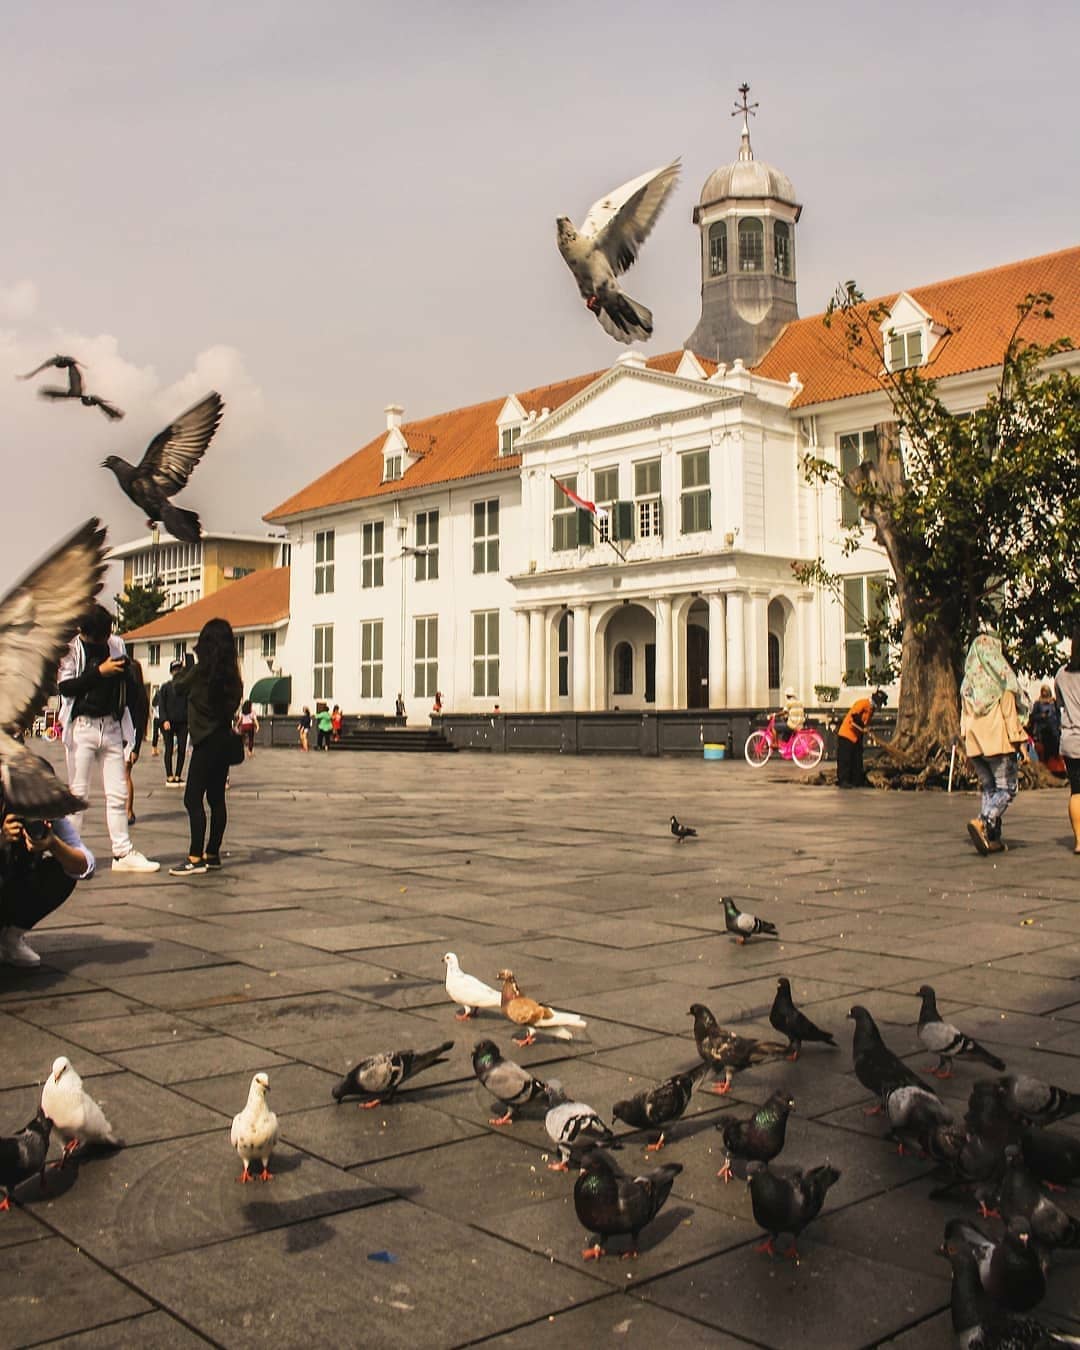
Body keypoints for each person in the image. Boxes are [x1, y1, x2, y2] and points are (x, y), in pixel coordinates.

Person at [57, 605, 159, 873]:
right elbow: (65, 688)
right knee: (78, 794)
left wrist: (125, 674)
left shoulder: (117, 645)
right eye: (98, 638)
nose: (104, 642)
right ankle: (71, 852)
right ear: (84, 633)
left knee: (117, 793)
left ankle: (122, 852)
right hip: (83, 727)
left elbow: (132, 689)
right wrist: (98, 673)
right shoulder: (71, 649)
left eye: (107, 635)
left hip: (112, 725)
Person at [0, 761, 95, 967]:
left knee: (63, 869)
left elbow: (86, 865)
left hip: (10, 888)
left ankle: (9, 939)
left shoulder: (43, 814)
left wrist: (53, 844)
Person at [168, 619, 243, 877]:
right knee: (216, 799)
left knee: (192, 798)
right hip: (223, 740)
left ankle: (195, 856)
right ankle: (213, 853)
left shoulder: (200, 672)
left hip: (205, 742)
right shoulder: (232, 675)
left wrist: (188, 666)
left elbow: (177, 688)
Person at [960, 632, 1029, 855]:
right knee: (1007, 789)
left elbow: (963, 722)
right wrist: (1022, 745)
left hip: (975, 747)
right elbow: (1010, 718)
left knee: (990, 789)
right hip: (998, 745)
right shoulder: (1003, 684)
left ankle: (992, 838)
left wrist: (967, 750)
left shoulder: (968, 687)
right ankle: (983, 820)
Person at [1055, 629, 1080, 855]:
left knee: (1076, 790)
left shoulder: (1061, 675)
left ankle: (1079, 841)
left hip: (1070, 740)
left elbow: (1059, 705)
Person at [836, 689, 887, 788]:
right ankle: (843, 781)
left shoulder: (871, 710)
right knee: (845, 759)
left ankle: (856, 780)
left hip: (856, 737)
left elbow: (864, 723)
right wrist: (863, 729)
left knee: (857, 760)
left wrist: (866, 729)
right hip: (847, 735)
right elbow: (853, 719)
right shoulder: (862, 704)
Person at [124, 658, 149, 827]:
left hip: (129, 737)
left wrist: (136, 748)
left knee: (124, 775)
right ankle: (126, 810)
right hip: (127, 737)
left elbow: (140, 723)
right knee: (123, 775)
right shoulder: (139, 694)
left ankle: (128, 810)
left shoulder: (135, 694)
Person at [157, 659, 189, 785]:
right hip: (169, 721)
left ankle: (178, 775)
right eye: (175, 670)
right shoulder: (165, 687)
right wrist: (164, 719)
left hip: (183, 722)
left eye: (179, 670)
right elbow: (161, 705)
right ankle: (169, 774)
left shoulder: (186, 688)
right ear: (171, 672)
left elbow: (189, 704)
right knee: (169, 749)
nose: (177, 672)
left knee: (182, 749)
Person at [1027, 684, 1061, 764]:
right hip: (1042, 731)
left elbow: (1058, 714)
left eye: (1046, 691)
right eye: (1043, 691)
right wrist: (1041, 716)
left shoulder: (1054, 702)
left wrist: (1059, 725)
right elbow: (1033, 717)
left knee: (1055, 750)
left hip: (1054, 730)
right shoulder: (1038, 703)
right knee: (1044, 752)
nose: (1045, 693)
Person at [150, 685, 162, 757]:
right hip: (160, 718)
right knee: (164, 733)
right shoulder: (161, 702)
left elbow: (152, 709)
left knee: (155, 734)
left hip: (156, 718)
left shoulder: (155, 703)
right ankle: (155, 749)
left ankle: (154, 749)